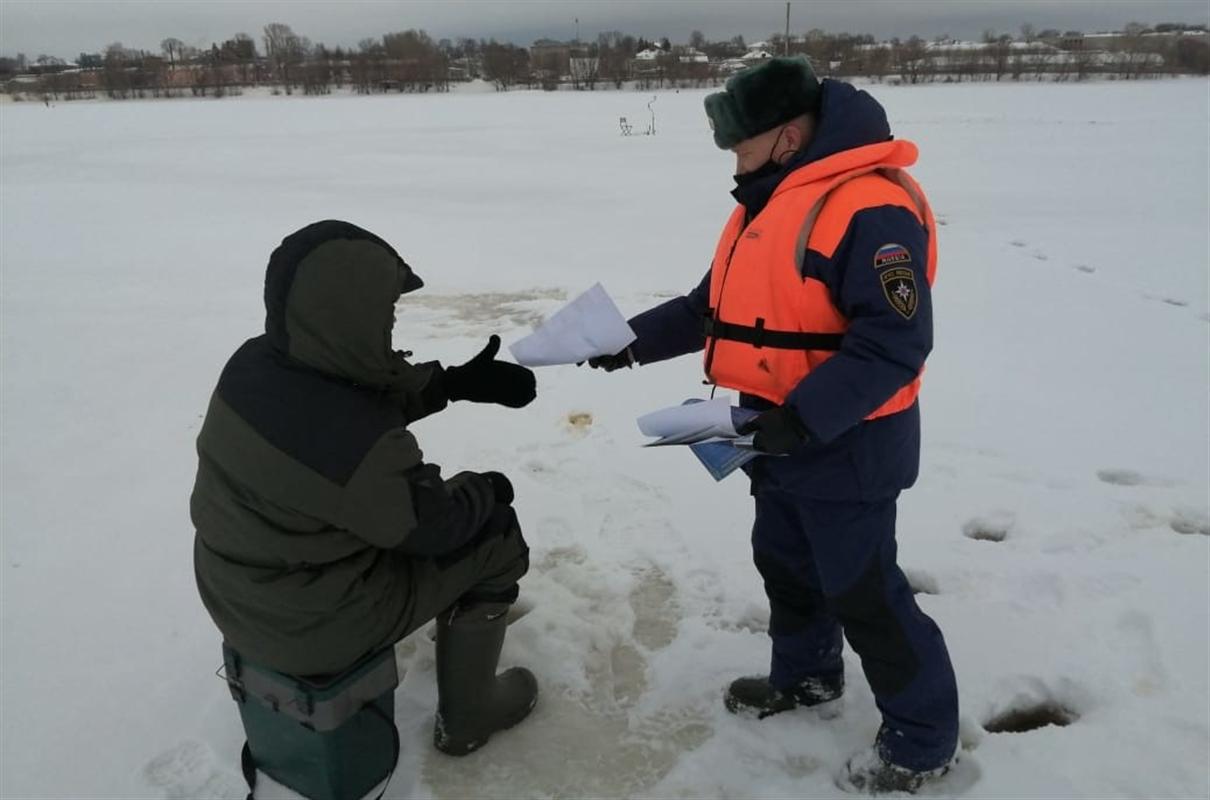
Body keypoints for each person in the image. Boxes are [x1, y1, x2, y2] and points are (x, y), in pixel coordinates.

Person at [585, 57, 959, 794]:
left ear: (787, 136)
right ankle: (808, 678)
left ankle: (922, 739)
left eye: (741, 144)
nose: (733, 159)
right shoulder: (762, 204)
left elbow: (894, 341)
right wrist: (626, 341)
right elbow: (708, 308)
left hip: (849, 445)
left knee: (865, 593)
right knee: (786, 569)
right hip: (768, 435)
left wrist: (805, 419)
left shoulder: (868, 208)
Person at [191, 219, 538, 756]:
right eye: (386, 311)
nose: (390, 323)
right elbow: (434, 527)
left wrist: (451, 383)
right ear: (349, 313)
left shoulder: (256, 366)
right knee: (494, 534)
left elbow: (345, 399)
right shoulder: (358, 445)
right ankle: (471, 716)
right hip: (315, 624)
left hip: (238, 594)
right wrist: (487, 489)